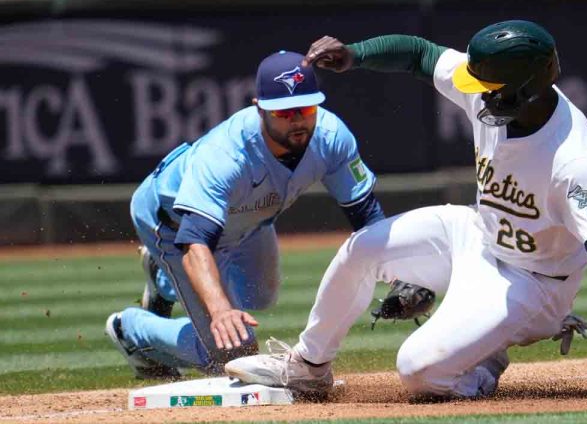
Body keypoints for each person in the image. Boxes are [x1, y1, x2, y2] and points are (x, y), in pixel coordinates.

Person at [225, 20, 587, 400]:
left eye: (486, 88)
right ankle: (308, 367)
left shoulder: (572, 161)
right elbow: (419, 53)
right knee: (362, 249)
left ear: (524, 90)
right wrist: (355, 54)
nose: (474, 90)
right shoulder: (493, 81)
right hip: (476, 234)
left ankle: (483, 368)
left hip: (534, 283)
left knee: (417, 371)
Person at [105, 50, 386, 378]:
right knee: (230, 356)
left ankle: (164, 280)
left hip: (250, 221)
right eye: (283, 111)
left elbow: (366, 215)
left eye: (306, 107)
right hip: (174, 226)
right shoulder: (227, 155)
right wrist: (220, 309)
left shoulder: (330, 136)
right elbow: (195, 240)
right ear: (259, 107)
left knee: (261, 297)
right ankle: (130, 329)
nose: (297, 119)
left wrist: (402, 274)